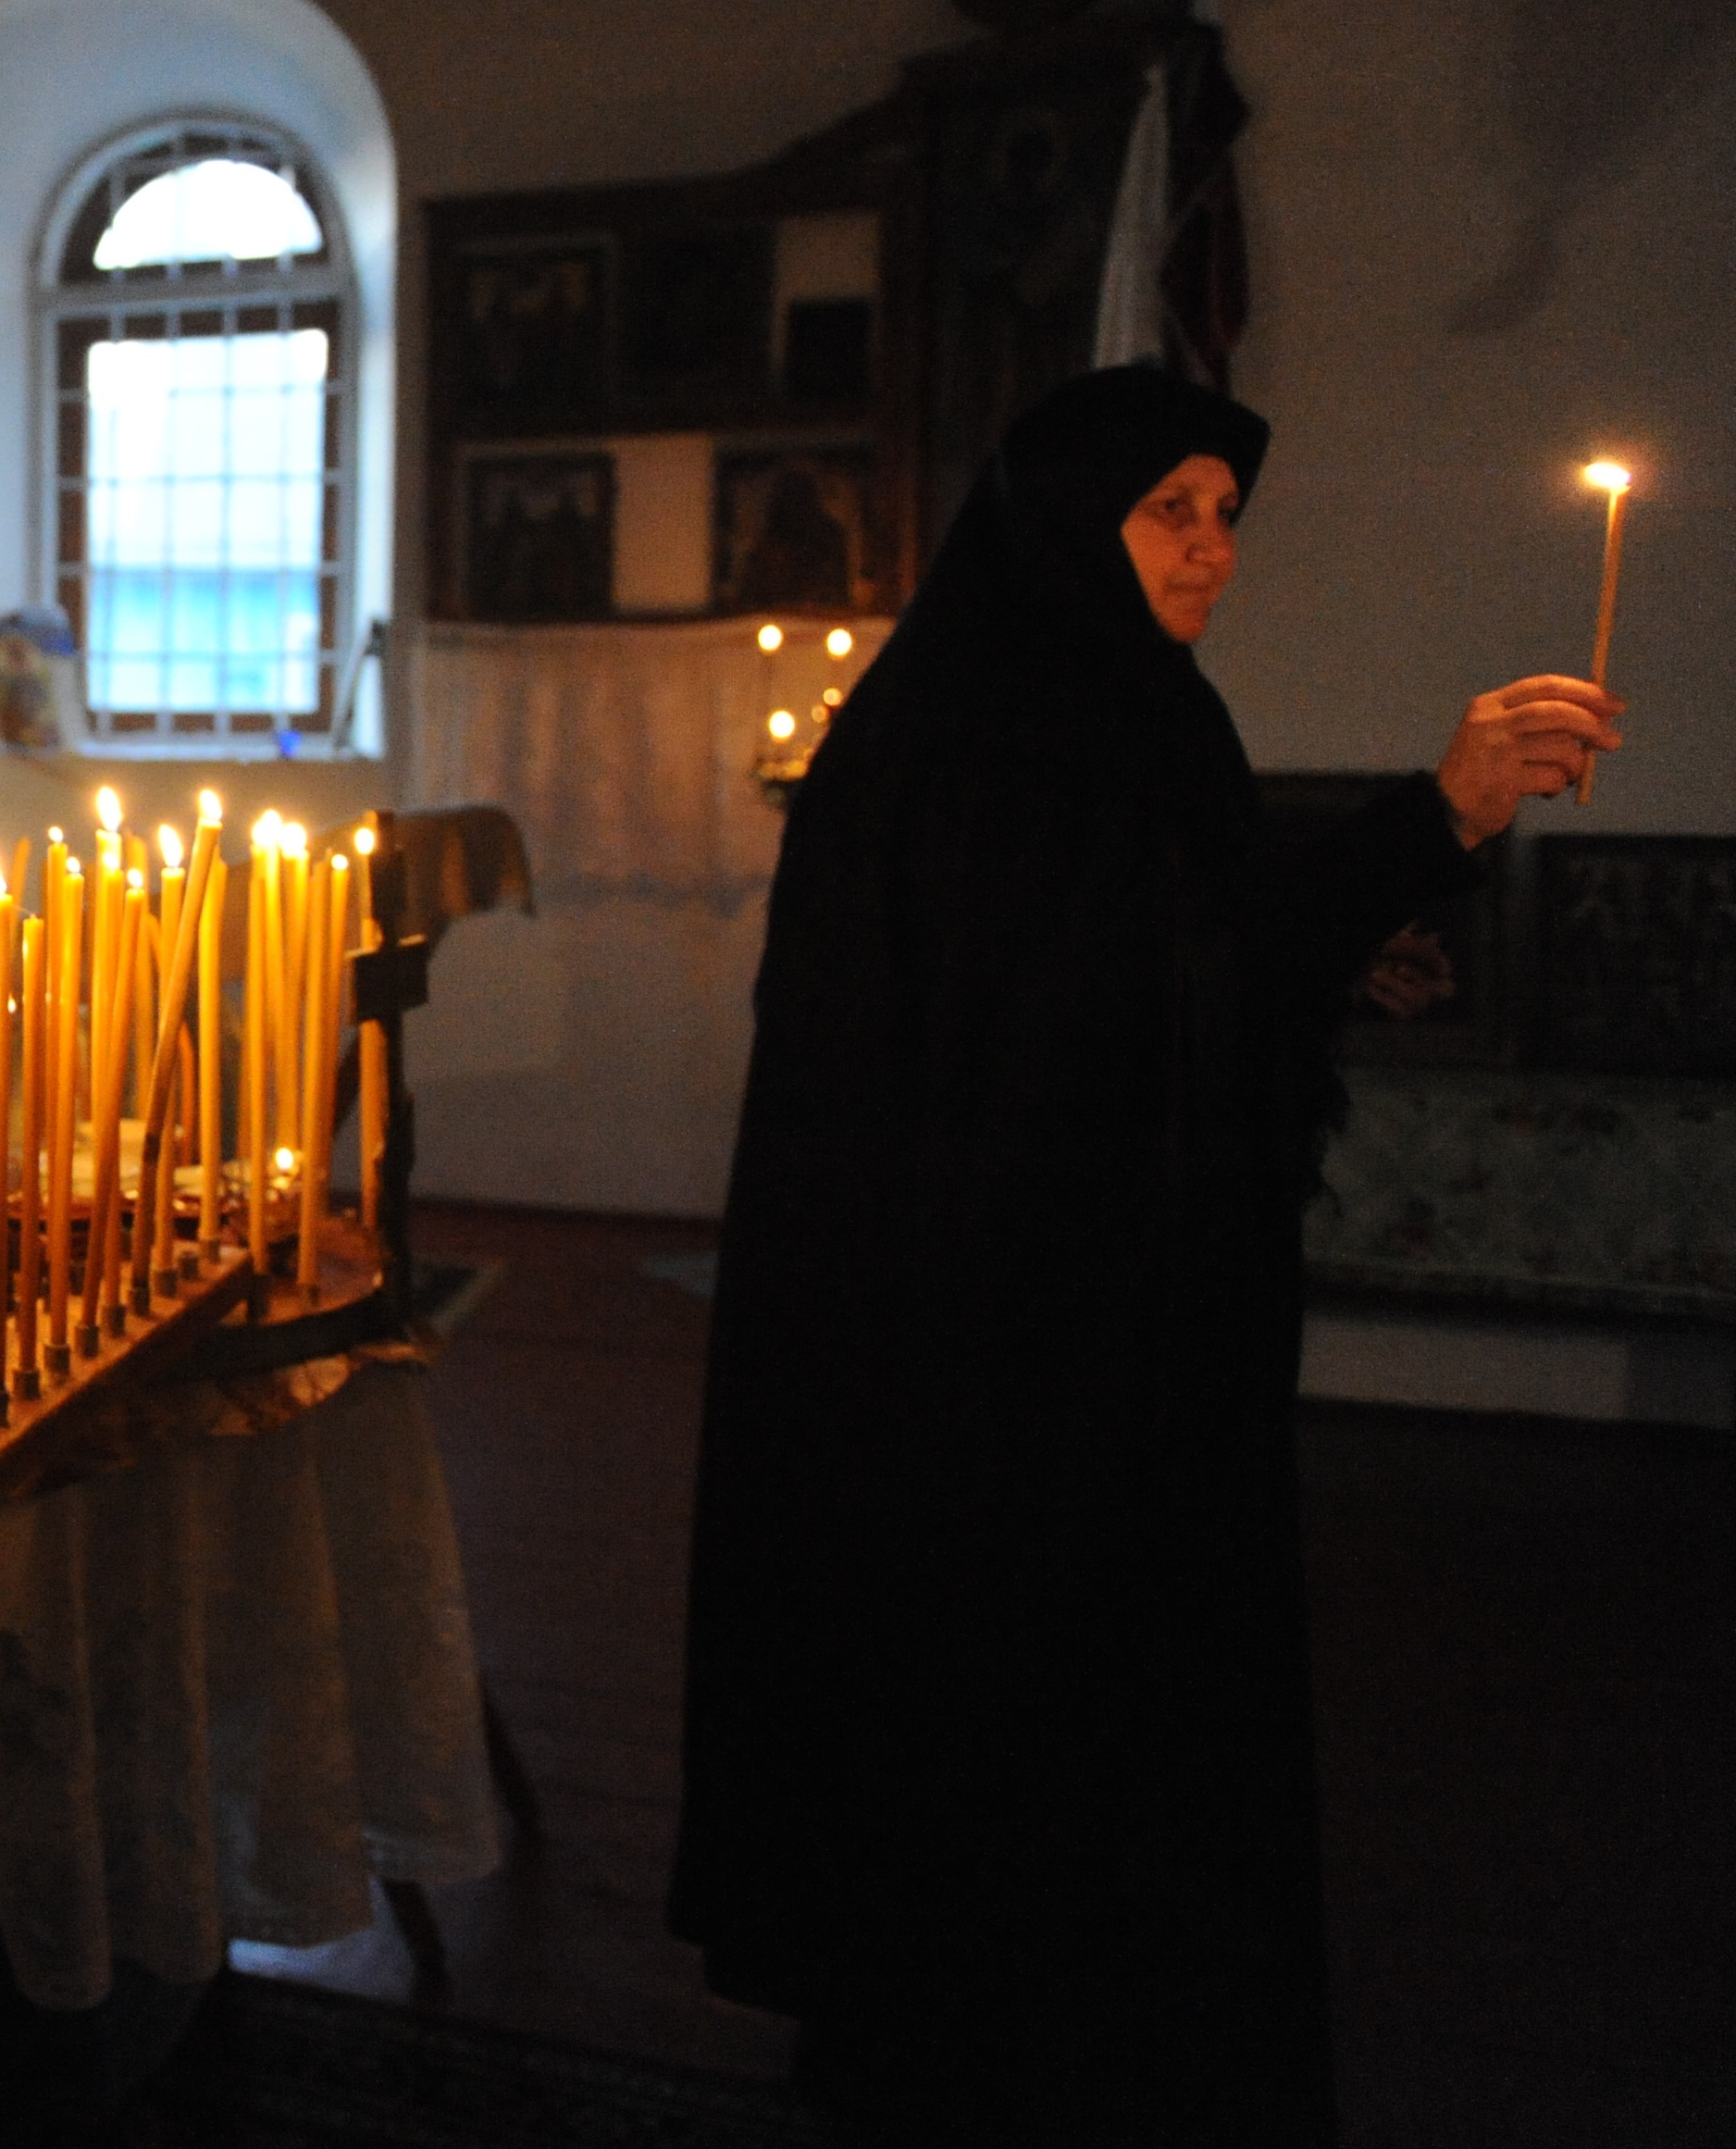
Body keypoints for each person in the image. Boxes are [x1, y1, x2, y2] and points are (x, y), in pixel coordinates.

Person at [668, 365, 1622, 2144]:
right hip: (979, 1346)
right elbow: (1114, 1004)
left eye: (1224, 517)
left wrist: (1353, 926)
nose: (1212, 552)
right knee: (994, 1734)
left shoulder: (1136, 709)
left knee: (1097, 1740)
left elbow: (1190, 958)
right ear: (1067, 524)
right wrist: (1435, 816)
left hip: (1091, 1323)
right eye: (1170, 512)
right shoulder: (972, 735)